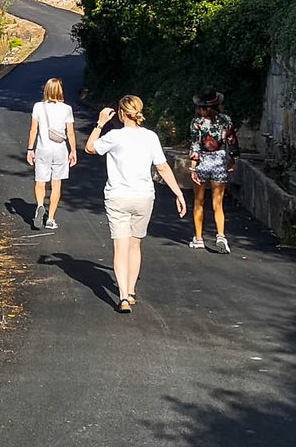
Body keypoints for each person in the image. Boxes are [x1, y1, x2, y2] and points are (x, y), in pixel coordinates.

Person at [85, 95, 187, 311]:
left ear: (121, 113)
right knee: (135, 244)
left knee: (120, 247)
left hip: (118, 197)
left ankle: (122, 297)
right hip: (143, 197)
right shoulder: (150, 137)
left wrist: (100, 123)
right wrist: (178, 193)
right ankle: (131, 291)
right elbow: (162, 167)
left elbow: (90, 148)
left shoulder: (114, 136)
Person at [188, 87, 240, 254]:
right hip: (219, 160)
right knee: (218, 203)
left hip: (203, 160)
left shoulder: (197, 122)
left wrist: (193, 168)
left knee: (199, 201)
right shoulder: (225, 120)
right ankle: (221, 236)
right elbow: (232, 142)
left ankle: (198, 239)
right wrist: (232, 161)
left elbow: (195, 145)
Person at [25, 77, 76, 230]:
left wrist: (30, 149)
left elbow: (33, 129)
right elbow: (71, 133)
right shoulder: (66, 109)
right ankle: (51, 219)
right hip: (60, 149)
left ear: (46, 90)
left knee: (40, 181)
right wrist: (73, 150)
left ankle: (40, 205)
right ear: (60, 91)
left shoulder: (38, 107)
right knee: (56, 184)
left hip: (42, 149)